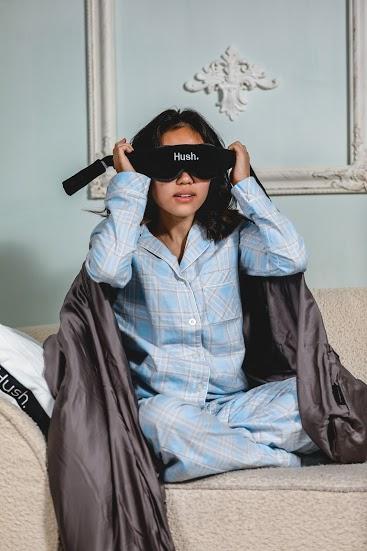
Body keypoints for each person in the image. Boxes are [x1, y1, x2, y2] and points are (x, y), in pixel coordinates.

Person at [85, 107, 321, 483]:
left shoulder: (233, 236)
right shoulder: (122, 240)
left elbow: (290, 257)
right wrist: (128, 185)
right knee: (159, 422)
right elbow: (107, 269)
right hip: (167, 410)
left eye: (198, 164)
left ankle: (208, 452)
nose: (184, 178)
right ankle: (277, 460)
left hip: (234, 407)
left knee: (309, 401)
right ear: (145, 169)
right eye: (168, 166)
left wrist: (245, 184)